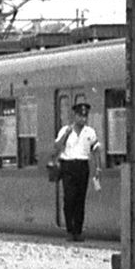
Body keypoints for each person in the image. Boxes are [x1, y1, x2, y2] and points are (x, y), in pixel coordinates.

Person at [53, 101, 101, 241]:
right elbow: (57, 146)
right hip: (68, 166)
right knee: (69, 199)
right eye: (80, 116)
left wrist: (98, 167)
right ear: (74, 116)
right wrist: (65, 135)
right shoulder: (65, 130)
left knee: (80, 200)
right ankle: (70, 230)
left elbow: (96, 150)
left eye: (85, 116)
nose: (83, 119)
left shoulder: (90, 132)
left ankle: (78, 231)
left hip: (82, 166)